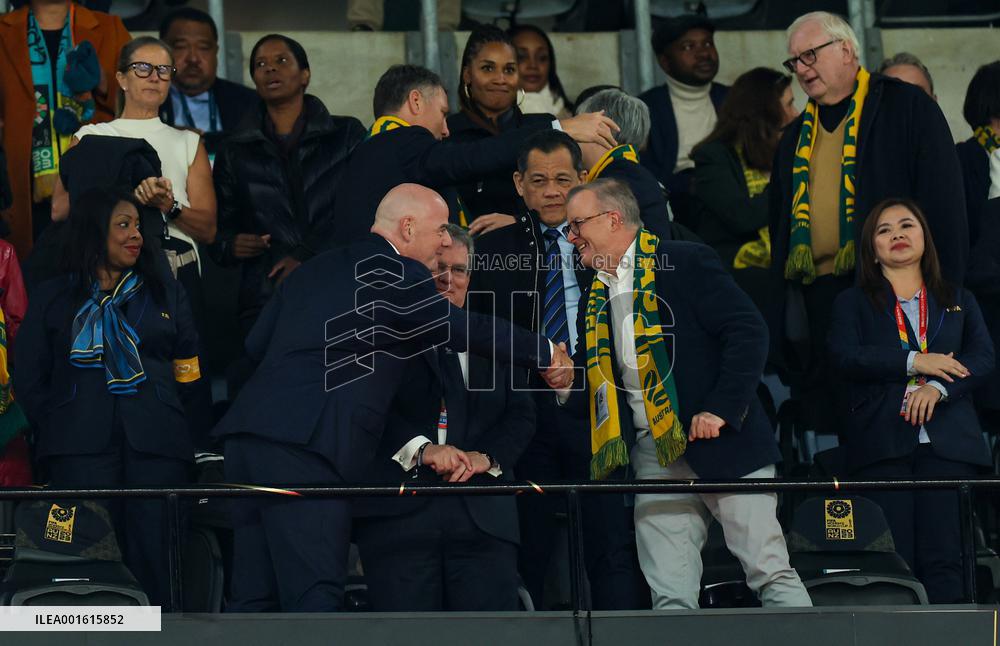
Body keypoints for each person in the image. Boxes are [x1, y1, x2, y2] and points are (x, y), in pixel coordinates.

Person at [214, 183, 574, 613]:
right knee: (314, 599)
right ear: (407, 227)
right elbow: (459, 329)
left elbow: (255, 347)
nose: (445, 240)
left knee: (254, 598)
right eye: (440, 229)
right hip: (309, 451)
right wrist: (545, 351)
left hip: (247, 443)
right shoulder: (397, 272)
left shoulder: (315, 268)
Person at [558, 178, 811, 610]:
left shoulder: (684, 260)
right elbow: (599, 388)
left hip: (723, 442)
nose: (571, 236)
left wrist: (720, 408)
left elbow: (748, 332)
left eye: (577, 224)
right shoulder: (593, 296)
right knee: (670, 595)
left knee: (768, 570)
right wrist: (566, 381)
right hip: (652, 455)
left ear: (613, 219)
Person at [471, 130, 650, 610]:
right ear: (519, 184)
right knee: (527, 544)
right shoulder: (492, 249)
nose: (551, 191)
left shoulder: (609, 240)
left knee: (610, 542)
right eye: (539, 180)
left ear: (584, 179)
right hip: (523, 413)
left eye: (563, 179)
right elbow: (480, 334)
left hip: (598, 407)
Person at [769, 11, 968, 440]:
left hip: (893, 289)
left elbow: (945, 204)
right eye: (794, 62)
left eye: (809, 55)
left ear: (847, 50)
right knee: (839, 418)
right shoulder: (794, 136)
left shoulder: (904, 106)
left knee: (897, 413)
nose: (802, 69)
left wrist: (945, 289)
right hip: (819, 294)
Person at [14, 186, 203, 608]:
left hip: (156, 449)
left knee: (159, 563)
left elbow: (188, 368)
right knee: (82, 566)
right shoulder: (55, 297)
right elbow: (28, 376)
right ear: (93, 233)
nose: (136, 235)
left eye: (137, 226)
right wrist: (63, 420)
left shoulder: (164, 293)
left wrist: (178, 421)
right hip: (78, 452)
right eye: (123, 225)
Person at [354, 224, 534, 612]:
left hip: (484, 520)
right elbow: (368, 411)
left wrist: (489, 457)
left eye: (460, 270)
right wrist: (422, 450)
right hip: (398, 522)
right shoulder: (380, 335)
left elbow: (521, 415)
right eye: (437, 268)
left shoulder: (496, 339)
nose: (447, 281)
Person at [828, 198, 994, 603]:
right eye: (884, 230)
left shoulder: (958, 298)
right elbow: (844, 355)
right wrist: (914, 360)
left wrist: (937, 387)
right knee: (891, 562)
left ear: (925, 238)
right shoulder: (852, 302)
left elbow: (984, 358)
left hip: (949, 443)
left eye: (907, 226)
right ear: (871, 247)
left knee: (947, 558)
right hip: (883, 441)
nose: (897, 235)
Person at [330, 64, 618, 243]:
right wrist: (558, 127)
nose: (445, 130)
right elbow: (471, 158)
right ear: (415, 101)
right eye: (442, 114)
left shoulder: (363, 151)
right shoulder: (402, 140)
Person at [211, 34, 365, 340]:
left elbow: (364, 210)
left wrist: (307, 254)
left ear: (305, 74)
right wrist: (231, 244)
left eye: (281, 61)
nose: (270, 69)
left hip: (340, 282)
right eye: (260, 64)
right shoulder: (234, 149)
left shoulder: (346, 134)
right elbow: (219, 230)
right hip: (267, 291)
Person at [0, 0, 130, 258]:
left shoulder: (109, 27)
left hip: (92, 183)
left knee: (95, 273)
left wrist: (103, 84)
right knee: (30, 284)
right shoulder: (3, 31)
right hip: (20, 185)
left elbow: (137, 99)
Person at [690, 67, 797, 313]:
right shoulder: (714, 157)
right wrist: (787, 178)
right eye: (789, 105)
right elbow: (742, 216)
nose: (796, 114)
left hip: (788, 273)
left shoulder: (790, 153)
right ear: (765, 113)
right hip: (737, 279)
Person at [449, 25, 563, 232]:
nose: (500, 79)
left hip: (535, 254)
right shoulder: (447, 133)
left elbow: (564, 202)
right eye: (487, 68)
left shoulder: (543, 127)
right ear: (467, 74)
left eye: (509, 70)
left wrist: (519, 222)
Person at [639, 14, 728, 228]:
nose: (704, 53)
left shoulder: (734, 99)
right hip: (677, 207)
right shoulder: (645, 107)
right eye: (688, 47)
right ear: (665, 62)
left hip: (728, 200)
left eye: (708, 43)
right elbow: (644, 175)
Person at [158, 7, 258, 157]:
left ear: (216, 52)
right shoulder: (147, 101)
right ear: (162, 50)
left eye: (204, 48)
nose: (193, 59)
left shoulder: (250, 102)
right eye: (181, 47)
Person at [575, 88, 671, 240]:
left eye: (579, 127)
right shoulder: (631, 173)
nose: (574, 138)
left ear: (600, 128)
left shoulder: (614, 182)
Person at [510, 24, 573, 119]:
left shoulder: (575, 114)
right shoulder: (492, 120)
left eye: (542, 58)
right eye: (521, 57)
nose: (533, 65)